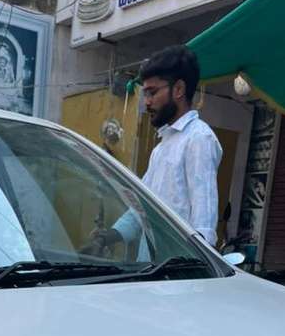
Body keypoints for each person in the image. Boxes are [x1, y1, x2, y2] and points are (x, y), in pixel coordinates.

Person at [91, 45, 222, 251]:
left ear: (178, 89)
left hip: (178, 273)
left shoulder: (199, 138)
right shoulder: (161, 148)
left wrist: (198, 271)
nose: (147, 102)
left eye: (152, 92)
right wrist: (108, 237)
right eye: (145, 94)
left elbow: (203, 220)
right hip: (154, 268)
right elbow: (144, 207)